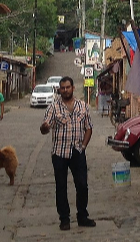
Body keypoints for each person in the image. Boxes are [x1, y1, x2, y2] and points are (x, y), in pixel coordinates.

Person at [39, 77, 95, 231]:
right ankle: (64, 219)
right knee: (61, 187)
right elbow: (45, 128)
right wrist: (44, 127)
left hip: (77, 152)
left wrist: (83, 146)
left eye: (68, 87)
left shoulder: (83, 106)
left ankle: (82, 216)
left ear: (73, 88)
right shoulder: (53, 108)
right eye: (62, 88)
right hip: (59, 153)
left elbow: (89, 128)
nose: (65, 90)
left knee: (82, 185)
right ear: (59, 89)